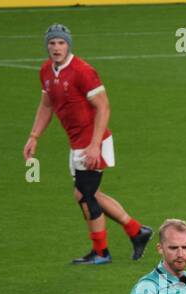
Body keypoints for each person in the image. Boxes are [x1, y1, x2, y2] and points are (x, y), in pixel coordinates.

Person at [23, 24, 152, 265]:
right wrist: (34, 136)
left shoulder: (83, 71)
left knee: (84, 194)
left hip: (93, 140)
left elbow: (103, 106)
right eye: (52, 43)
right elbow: (47, 105)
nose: (56, 47)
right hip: (77, 143)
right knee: (88, 193)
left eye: (61, 42)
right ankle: (136, 231)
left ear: (68, 44)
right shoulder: (46, 72)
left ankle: (102, 252)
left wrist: (94, 145)